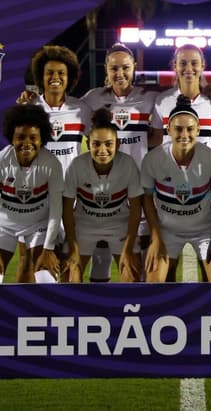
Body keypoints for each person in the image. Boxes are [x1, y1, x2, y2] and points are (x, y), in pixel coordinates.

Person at [81, 43, 159, 281]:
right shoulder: (92, 100)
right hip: (105, 189)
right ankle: (99, 309)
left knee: (141, 253)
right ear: (106, 68)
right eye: (114, 68)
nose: (120, 73)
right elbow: (87, 134)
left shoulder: (149, 99)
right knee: (101, 252)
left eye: (125, 67)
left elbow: (156, 136)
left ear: (134, 67)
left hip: (139, 187)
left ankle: (142, 306)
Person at [140, 97, 211, 282]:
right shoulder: (152, 159)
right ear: (168, 130)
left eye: (190, 129)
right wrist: (155, 236)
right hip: (167, 230)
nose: (184, 134)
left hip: (204, 230)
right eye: (178, 129)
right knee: (153, 282)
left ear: (198, 130)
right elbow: (147, 199)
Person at [0, 104, 63, 283]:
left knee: (46, 279)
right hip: (3, 226)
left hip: (37, 225)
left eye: (33, 137)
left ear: (42, 139)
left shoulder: (52, 164)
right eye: (20, 137)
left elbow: (56, 211)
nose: (27, 143)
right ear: (11, 139)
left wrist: (48, 250)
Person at [61, 108, 144, 282]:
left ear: (118, 144)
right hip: (84, 225)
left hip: (119, 225)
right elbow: (67, 209)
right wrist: (73, 247)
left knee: (132, 275)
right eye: (96, 143)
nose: (102, 149)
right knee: (70, 277)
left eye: (108, 144)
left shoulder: (128, 165)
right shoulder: (76, 165)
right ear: (88, 143)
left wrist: (128, 250)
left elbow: (136, 208)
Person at [25, 45, 91, 173]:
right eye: (49, 73)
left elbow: (99, 141)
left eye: (61, 73)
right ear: (41, 76)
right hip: (40, 187)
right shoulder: (29, 109)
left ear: (69, 77)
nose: (55, 77)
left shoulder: (82, 109)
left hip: (71, 188)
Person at [151, 44, 211, 150]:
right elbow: (156, 138)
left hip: (205, 166)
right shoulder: (162, 100)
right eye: (182, 63)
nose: (188, 68)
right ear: (175, 66)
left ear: (202, 65)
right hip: (169, 166)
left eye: (194, 63)